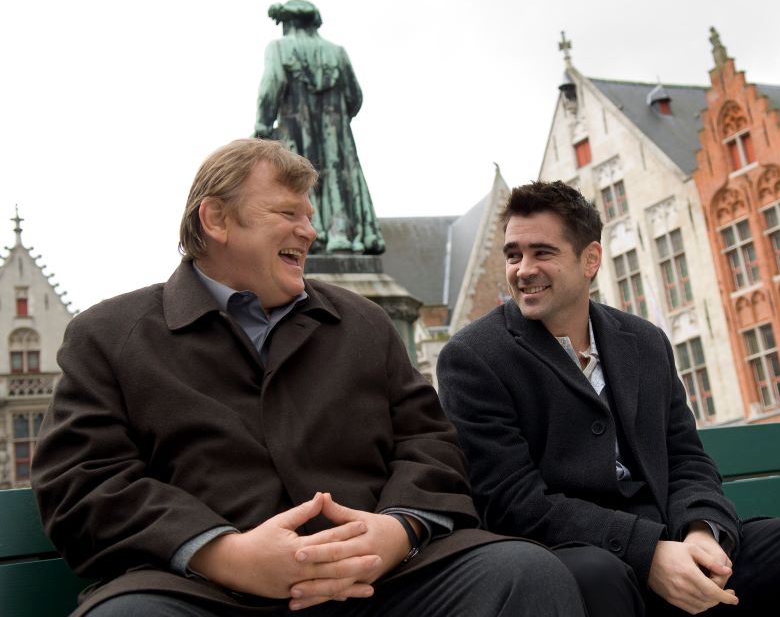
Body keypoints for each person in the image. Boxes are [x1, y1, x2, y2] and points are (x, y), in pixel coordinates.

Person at [30, 139, 585, 617]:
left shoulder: (362, 322)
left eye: (310, 216)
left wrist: (397, 530)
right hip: (205, 594)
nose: (310, 231)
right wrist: (224, 553)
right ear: (216, 220)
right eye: (288, 213)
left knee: (525, 575)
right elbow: (85, 483)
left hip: (381, 585)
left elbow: (430, 443)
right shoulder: (108, 335)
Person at [437, 180, 780, 616]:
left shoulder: (643, 341)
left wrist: (702, 532)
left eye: (543, 252)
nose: (523, 269)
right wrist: (648, 552)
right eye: (513, 254)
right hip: (577, 555)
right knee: (597, 577)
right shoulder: (474, 358)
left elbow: (686, 458)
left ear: (590, 258)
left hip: (675, 536)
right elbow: (512, 503)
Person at [254, 0, 385, 255]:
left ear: (288, 23)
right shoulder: (337, 52)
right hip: (336, 137)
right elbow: (355, 96)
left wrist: (263, 126)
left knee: (300, 178)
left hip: (294, 130)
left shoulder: (279, 48)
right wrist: (336, 119)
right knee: (338, 177)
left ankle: (312, 233)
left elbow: (271, 85)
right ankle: (342, 234)